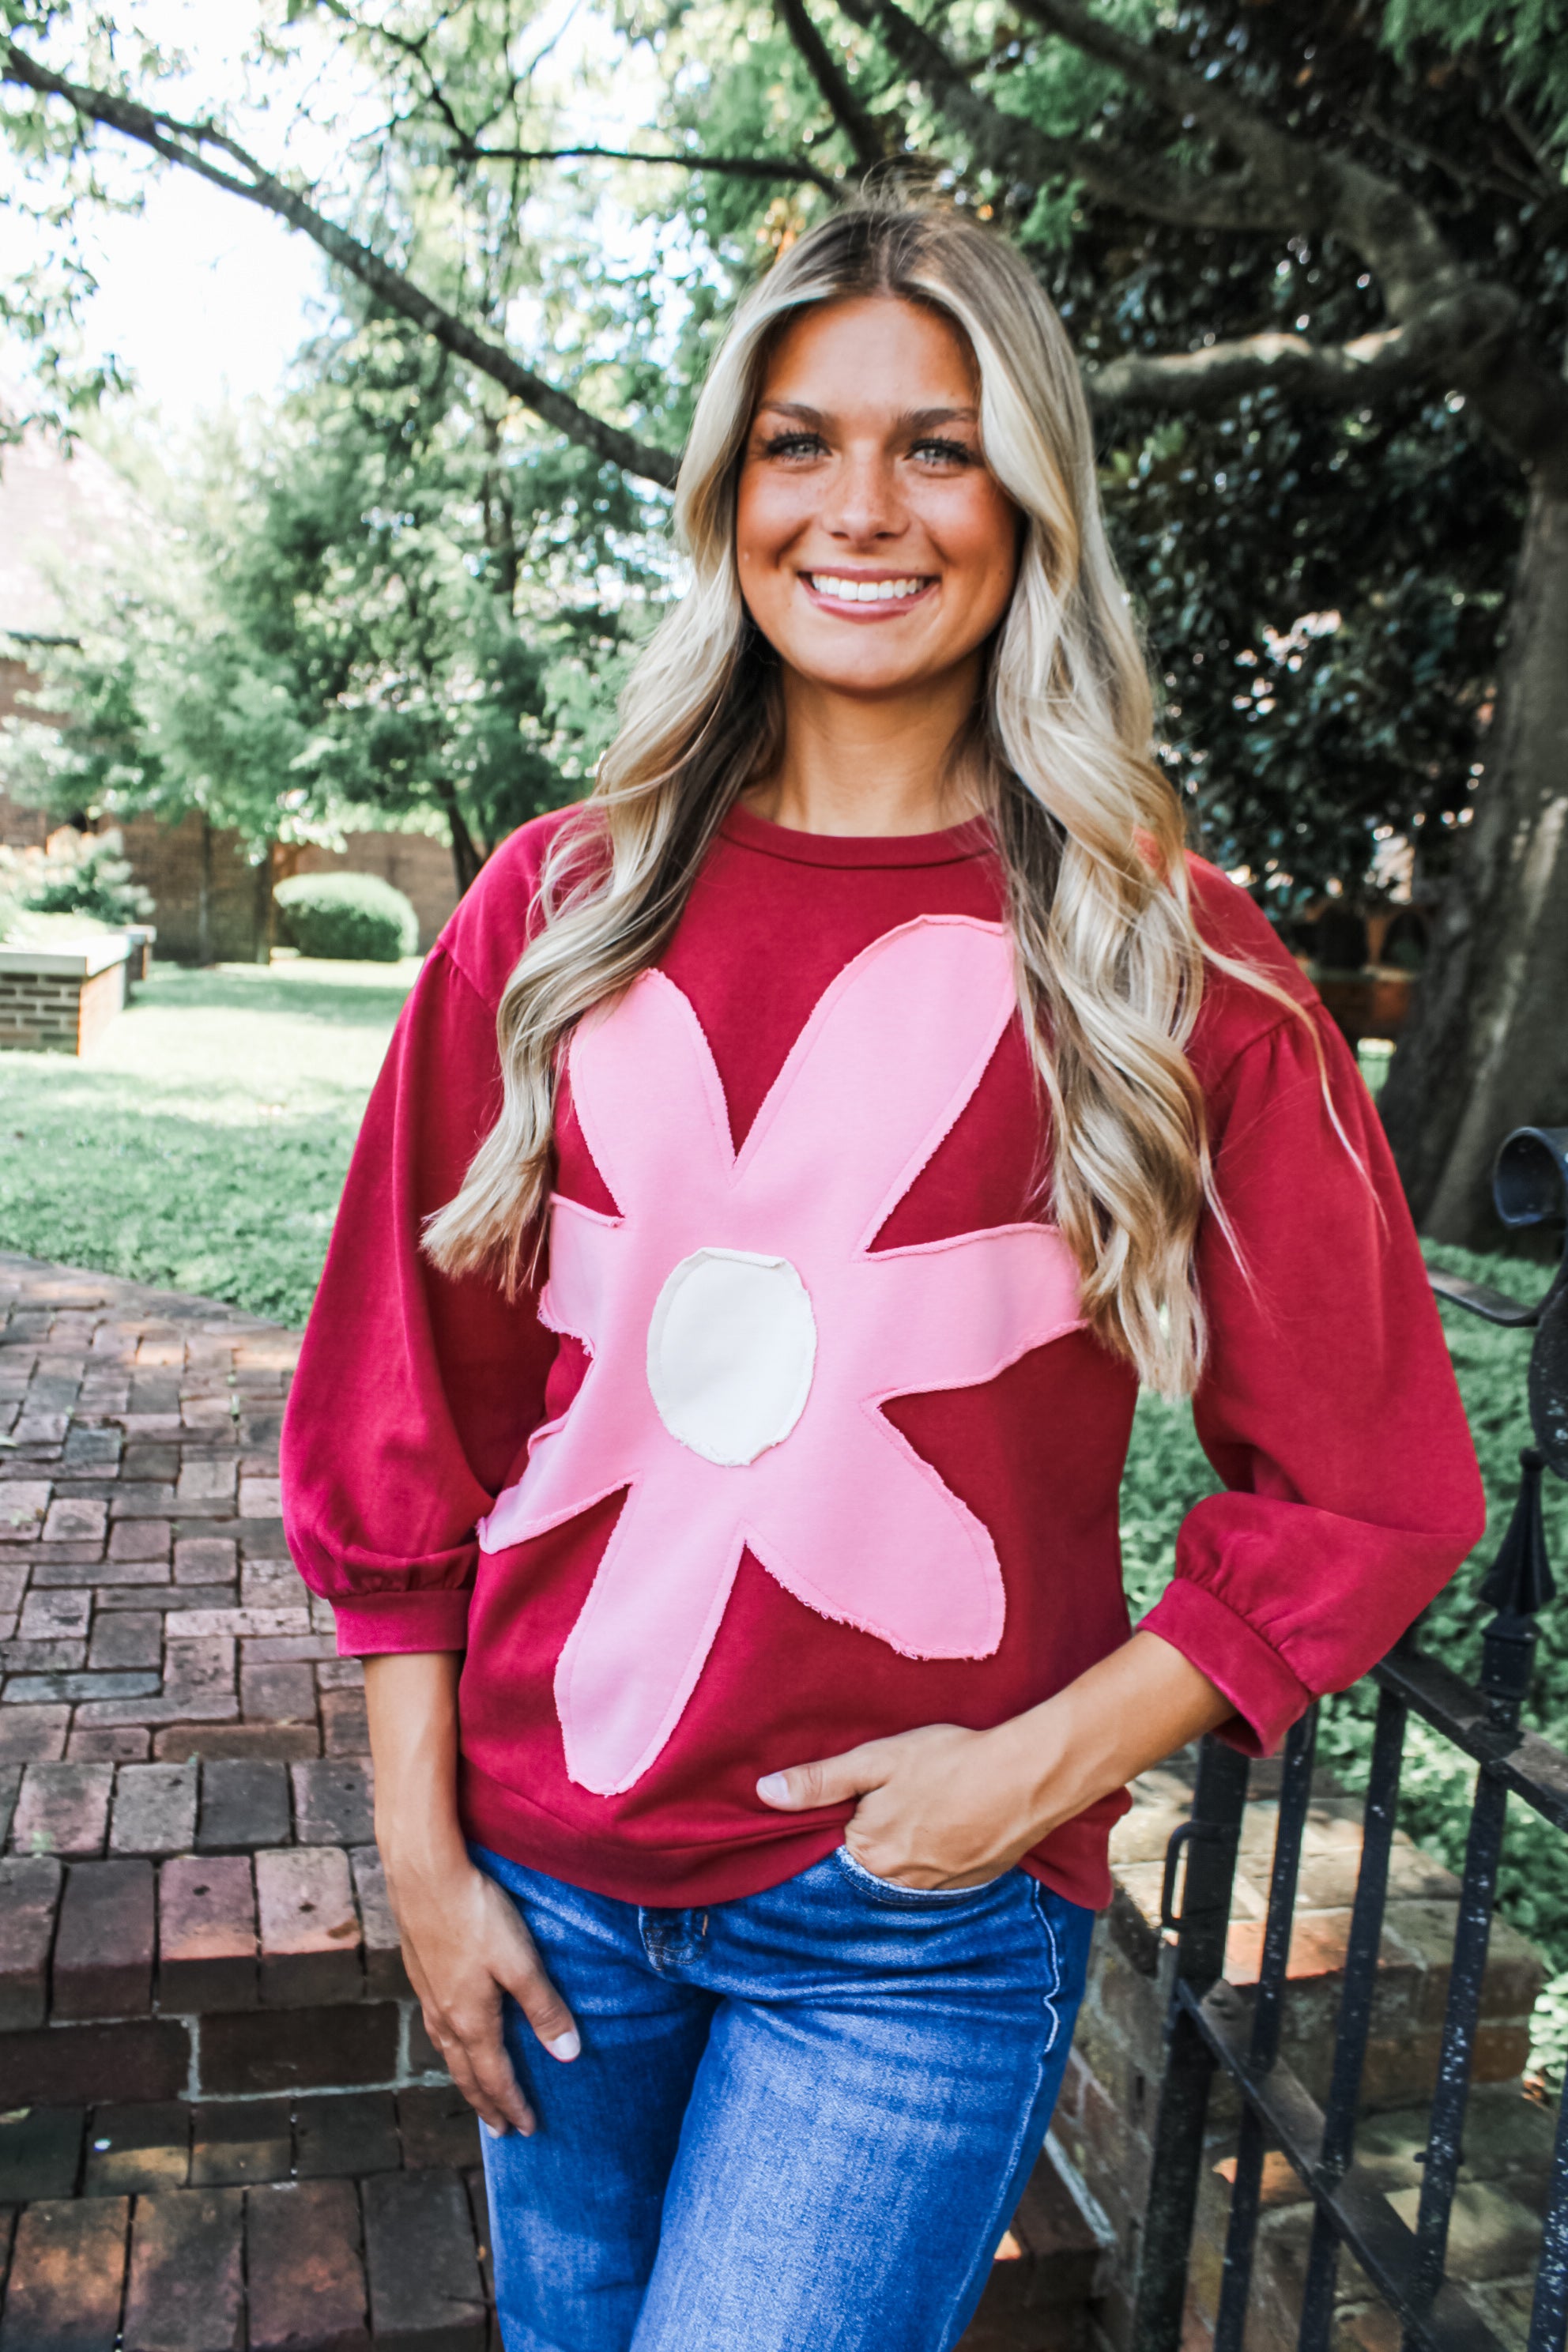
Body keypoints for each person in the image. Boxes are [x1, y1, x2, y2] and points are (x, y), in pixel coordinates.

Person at [281, 197, 1484, 2352]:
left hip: (906, 1931)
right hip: (552, 1884)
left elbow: (1371, 1489)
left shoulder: (1157, 952)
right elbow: (404, 1415)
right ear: (726, 490)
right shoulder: (557, 909)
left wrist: (1030, 1778)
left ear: (1027, 500)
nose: (861, 509)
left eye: (937, 447)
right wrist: (425, 1861)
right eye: (799, 444)